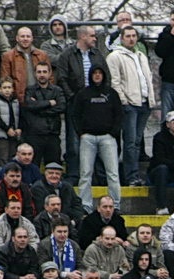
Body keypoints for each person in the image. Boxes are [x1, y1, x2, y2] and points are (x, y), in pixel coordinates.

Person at [55, 25, 107, 184]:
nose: (95, 38)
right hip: (76, 103)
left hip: (96, 104)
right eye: (92, 36)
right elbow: (62, 78)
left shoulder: (97, 55)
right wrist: (73, 97)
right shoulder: (67, 55)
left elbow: (106, 76)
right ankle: (73, 175)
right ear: (83, 37)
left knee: (97, 139)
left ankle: (97, 177)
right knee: (73, 141)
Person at [107, 26, 156, 187]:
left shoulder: (141, 55)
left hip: (144, 103)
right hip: (129, 104)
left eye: (134, 36)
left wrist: (151, 99)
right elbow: (115, 81)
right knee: (130, 142)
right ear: (122, 38)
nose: (131, 39)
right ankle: (131, 176)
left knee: (137, 141)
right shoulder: (115, 56)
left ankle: (134, 175)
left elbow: (147, 79)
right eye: (128, 36)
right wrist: (123, 101)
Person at [74, 66, 122, 213]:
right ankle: (85, 206)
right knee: (85, 174)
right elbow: (75, 114)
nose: (97, 76)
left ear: (104, 75)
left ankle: (115, 205)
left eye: (99, 73)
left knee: (113, 173)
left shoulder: (111, 94)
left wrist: (113, 132)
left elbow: (119, 115)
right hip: (87, 138)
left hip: (107, 137)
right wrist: (81, 133)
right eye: (94, 73)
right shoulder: (83, 94)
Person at [21, 62, 65, 166]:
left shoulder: (57, 90)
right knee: (33, 167)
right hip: (34, 135)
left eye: (45, 72)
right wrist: (49, 103)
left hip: (52, 134)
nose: (42, 74)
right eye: (39, 72)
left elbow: (62, 107)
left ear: (50, 73)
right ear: (35, 74)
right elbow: (29, 105)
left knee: (54, 167)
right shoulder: (30, 90)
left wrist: (38, 108)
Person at [0, 78, 20, 165]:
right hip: (1, 135)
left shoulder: (16, 102)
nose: (7, 90)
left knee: (13, 158)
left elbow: (20, 117)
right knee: (3, 159)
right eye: (4, 87)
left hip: (14, 135)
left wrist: (19, 129)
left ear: (13, 89)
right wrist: (7, 129)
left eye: (9, 87)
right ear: (0, 89)